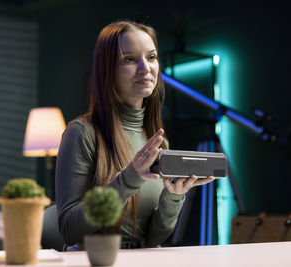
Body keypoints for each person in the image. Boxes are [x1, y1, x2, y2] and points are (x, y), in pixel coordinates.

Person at [55, 20, 215, 250]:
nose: (145, 68)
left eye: (151, 57)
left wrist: (174, 196)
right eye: (129, 59)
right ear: (107, 69)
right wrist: (129, 177)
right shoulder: (81, 133)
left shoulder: (156, 140)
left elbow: (153, 239)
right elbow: (69, 230)